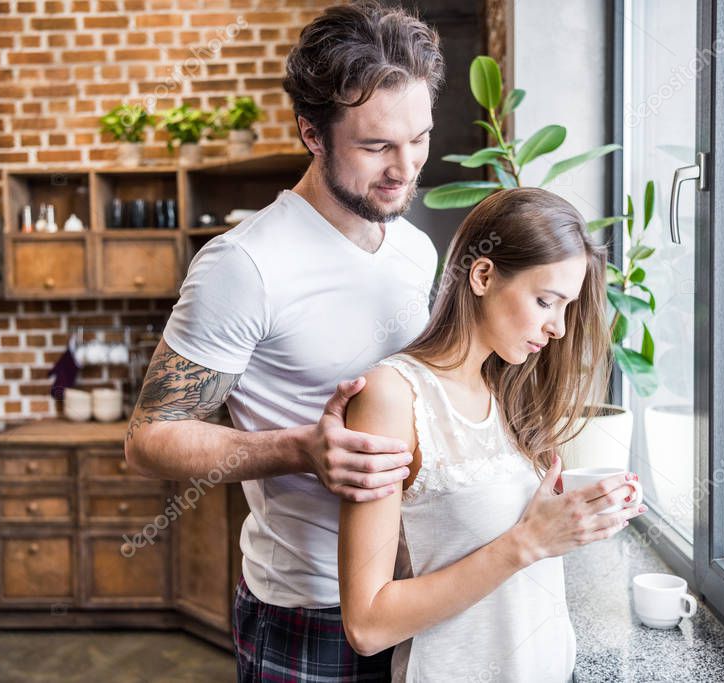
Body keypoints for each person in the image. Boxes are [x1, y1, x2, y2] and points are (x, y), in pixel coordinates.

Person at [124, 2, 445, 679]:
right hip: (308, 605)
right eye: (376, 145)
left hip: (415, 592)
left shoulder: (415, 249)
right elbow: (150, 437)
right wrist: (299, 448)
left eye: (417, 138)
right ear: (312, 134)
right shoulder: (244, 264)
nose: (404, 167)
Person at [338, 188, 648, 681]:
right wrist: (528, 542)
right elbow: (368, 624)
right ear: (482, 275)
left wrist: (577, 518)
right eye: (546, 301)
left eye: (565, 307)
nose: (559, 329)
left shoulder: (511, 390)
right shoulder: (393, 395)